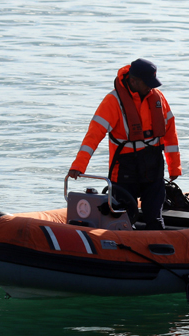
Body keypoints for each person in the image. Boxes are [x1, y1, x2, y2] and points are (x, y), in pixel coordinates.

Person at [68, 58, 181, 230]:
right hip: (125, 167)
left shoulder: (158, 99)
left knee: (155, 218)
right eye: (147, 83)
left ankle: (158, 245)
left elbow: (171, 135)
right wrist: (79, 165)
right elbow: (93, 136)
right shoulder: (113, 102)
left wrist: (174, 168)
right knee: (122, 218)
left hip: (154, 166)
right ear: (133, 81)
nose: (151, 87)